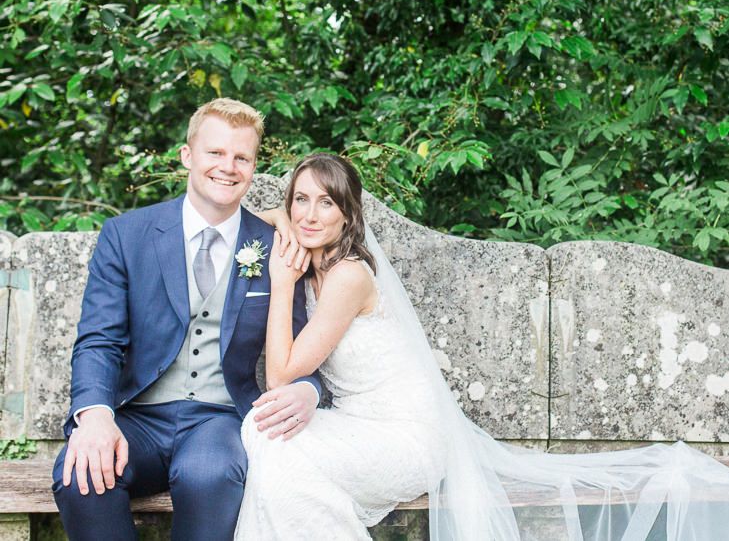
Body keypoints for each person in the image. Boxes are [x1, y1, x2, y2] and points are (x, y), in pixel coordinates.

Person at [235, 152, 729, 541]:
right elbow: (259, 219)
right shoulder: (315, 253)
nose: (310, 214)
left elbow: (280, 376)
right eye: (301, 199)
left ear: (348, 215)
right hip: (356, 425)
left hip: (406, 438)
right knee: (264, 439)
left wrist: (282, 281)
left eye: (327, 203)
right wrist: (282, 217)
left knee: (275, 452)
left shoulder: (346, 276)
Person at [52, 98, 321, 541]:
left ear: (254, 167)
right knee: (80, 475)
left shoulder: (276, 244)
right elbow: (99, 340)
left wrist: (309, 392)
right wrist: (95, 415)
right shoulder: (126, 235)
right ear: (187, 156)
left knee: (211, 476)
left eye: (242, 157)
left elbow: (301, 349)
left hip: (216, 420)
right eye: (216, 153)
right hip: (136, 416)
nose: (228, 167)